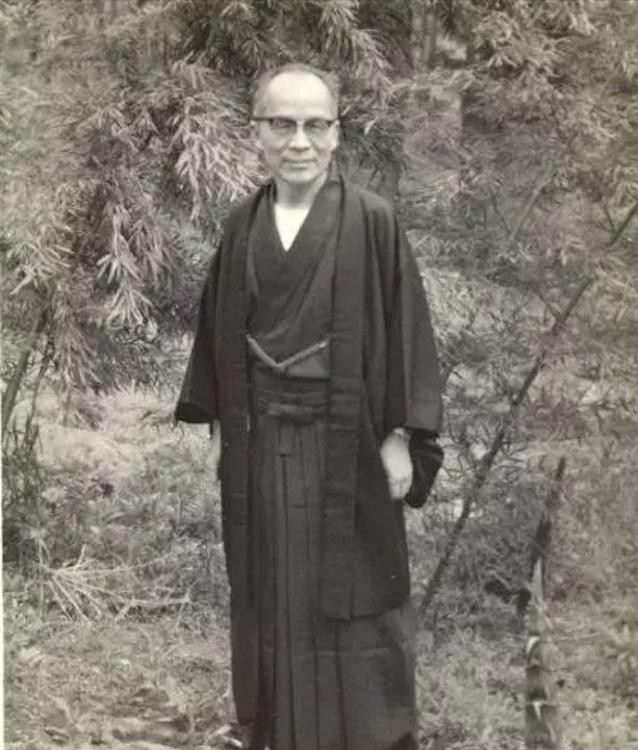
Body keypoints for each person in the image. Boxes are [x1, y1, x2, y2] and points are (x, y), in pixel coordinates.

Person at [175, 62, 444, 750]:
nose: (299, 142)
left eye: (315, 125)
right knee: (274, 587)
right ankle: (279, 734)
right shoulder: (242, 224)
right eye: (282, 124)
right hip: (264, 441)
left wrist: (399, 435)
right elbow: (219, 332)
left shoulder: (372, 221)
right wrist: (220, 424)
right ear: (257, 132)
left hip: (348, 440)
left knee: (355, 590)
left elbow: (406, 329)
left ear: (336, 133)